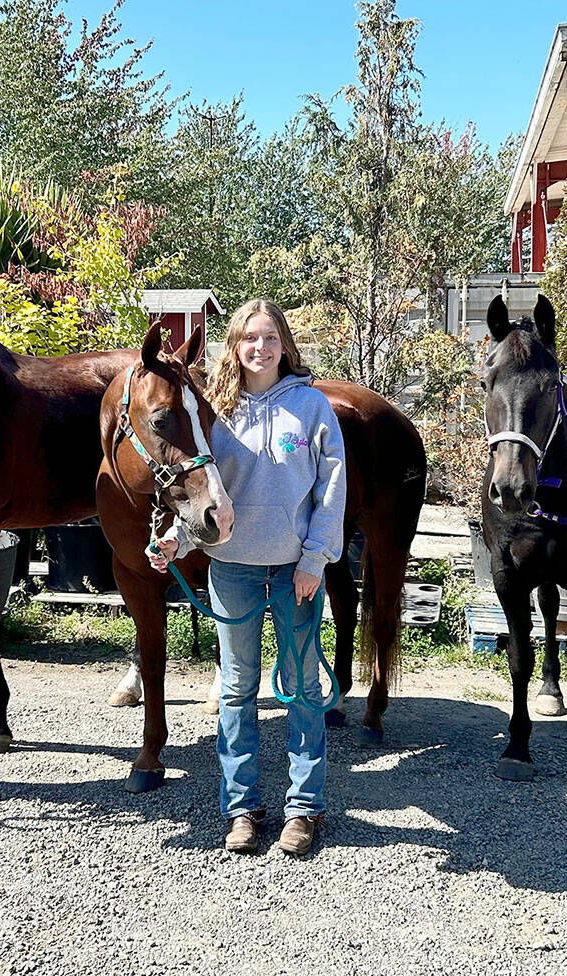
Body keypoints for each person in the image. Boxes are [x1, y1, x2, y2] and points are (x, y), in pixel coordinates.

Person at [148, 298, 346, 857]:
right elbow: (203, 494)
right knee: (237, 690)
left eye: (270, 338)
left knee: (304, 689)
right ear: (234, 345)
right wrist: (176, 539)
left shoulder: (311, 408)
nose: (259, 348)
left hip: (294, 572)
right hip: (231, 568)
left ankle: (303, 807)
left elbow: (332, 492)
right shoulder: (217, 409)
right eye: (249, 339)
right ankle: (241, 808)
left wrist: (315, 559)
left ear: (285, 344)